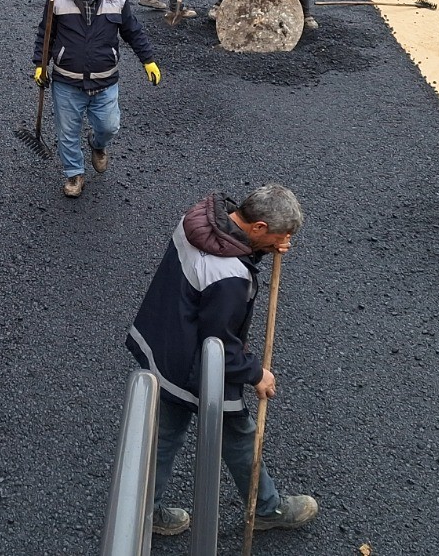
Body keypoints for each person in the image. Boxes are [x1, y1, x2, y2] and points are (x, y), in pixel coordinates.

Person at [125, 185, 320, 537]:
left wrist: (259, 250)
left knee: (164, 435)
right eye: (277, 235)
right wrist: (256, 374)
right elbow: (219, 346)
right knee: (238, 432)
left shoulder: (198, 220)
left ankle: (141, 510)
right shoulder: (230, 277)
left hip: (164, 341)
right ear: (258, 227)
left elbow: (229, 255)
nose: (282, 242)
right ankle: (266, 507)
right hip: (193, 367)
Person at [33, 0, 161, 198]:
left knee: (109, 126)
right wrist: (40, 63)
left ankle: (97, 145)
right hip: (67, 80)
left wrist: (148, 60)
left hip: (105, 80)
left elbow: (132, 31)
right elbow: (45, 35)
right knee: (67, 132)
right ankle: (74, 174)